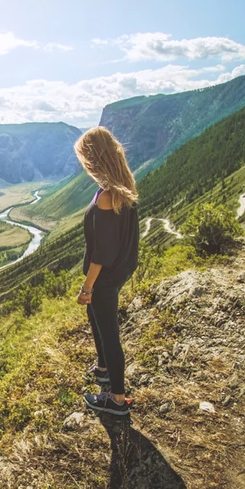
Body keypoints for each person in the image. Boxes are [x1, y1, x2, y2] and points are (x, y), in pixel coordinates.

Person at [74, 126, 139, 416]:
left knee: (109, 332)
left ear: (93, 158)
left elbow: (100, 253)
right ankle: (103, 369)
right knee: (97, 317)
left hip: (104, 277)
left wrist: (87, 287)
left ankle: (116, 399)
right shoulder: (122, 187)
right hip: (118, 271)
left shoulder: (105, 197)